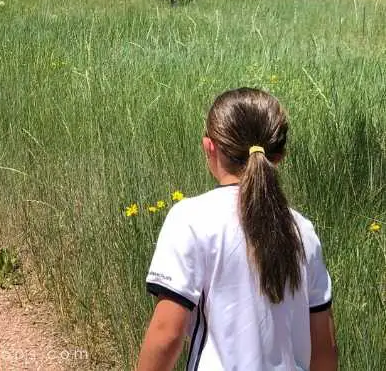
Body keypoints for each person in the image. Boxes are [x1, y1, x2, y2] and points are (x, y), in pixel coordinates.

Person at [136, 88, 338, 371]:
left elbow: (167, 334)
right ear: (279, 156)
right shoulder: (303, 231)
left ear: (210, 147)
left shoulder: (191, 218)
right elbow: (324, 348)